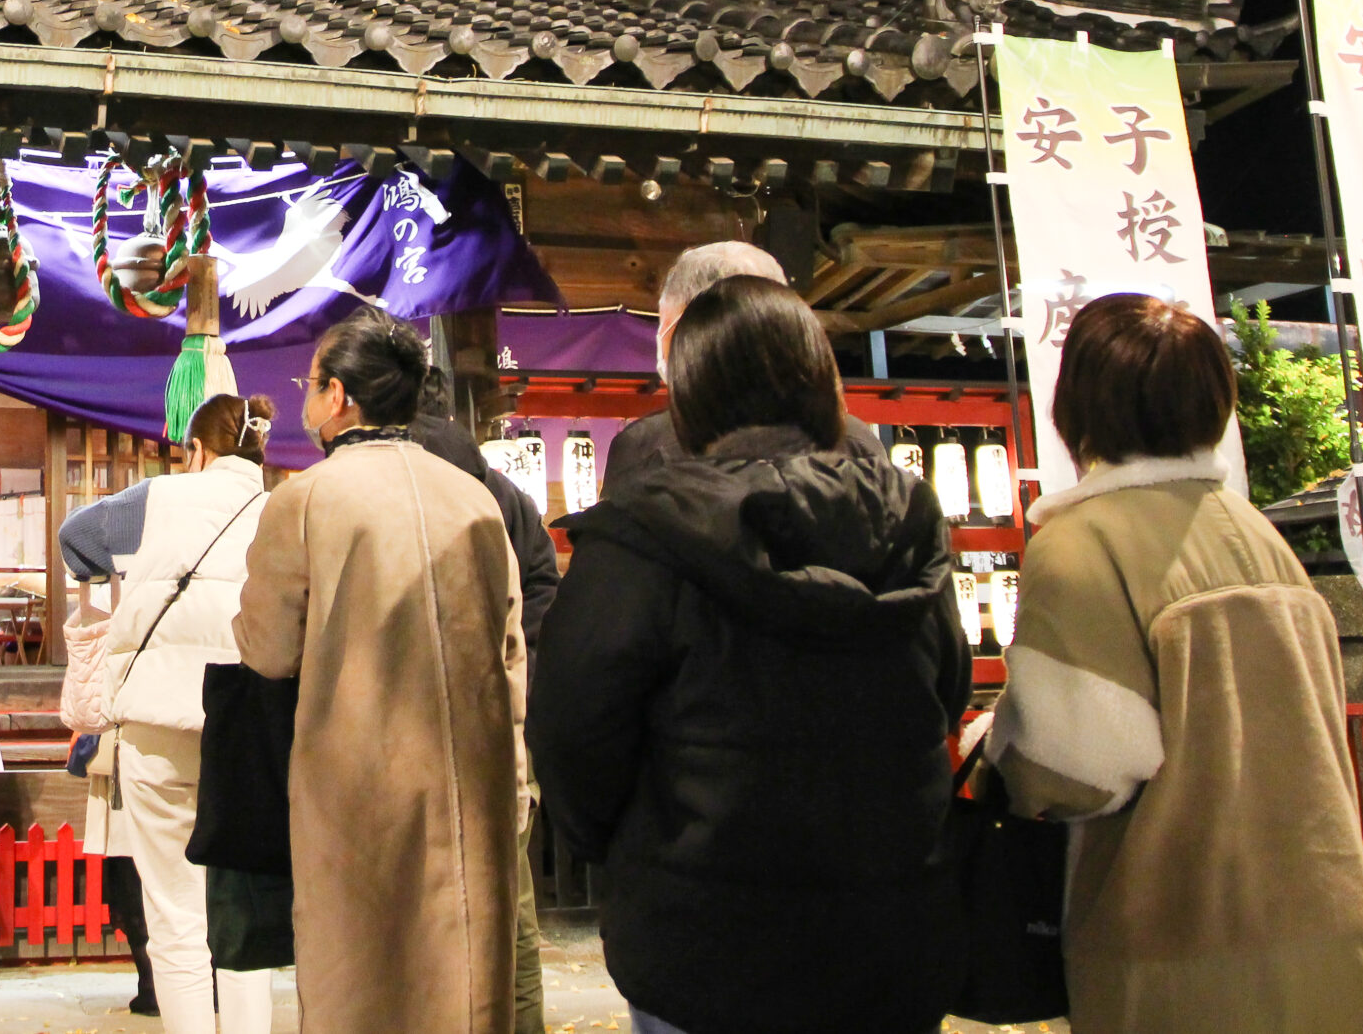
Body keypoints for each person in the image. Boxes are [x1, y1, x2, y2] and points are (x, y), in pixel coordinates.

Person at [527, 276, 968, 1034]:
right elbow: (948, 689)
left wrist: (636, 846)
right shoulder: (904, 519)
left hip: (702, 944)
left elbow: (571, 735)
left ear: (688, 397)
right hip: (887, 937)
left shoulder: (641, 536)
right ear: (821, 381)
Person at [987, 294, 1363, 1033]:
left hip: (1186, 952)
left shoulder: (1082, 542)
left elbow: (1074, 768)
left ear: (1075, 403)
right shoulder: (1260, 535)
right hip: (1333, 936)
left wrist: (994, 742)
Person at [235, 312, 523, 1034]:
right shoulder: (475, 497)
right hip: (475, 790)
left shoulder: (304, 499)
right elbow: (512, 652)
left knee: (360, 989)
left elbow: (266, 647)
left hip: (356, 789)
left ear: (338, 397)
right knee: (460, 989)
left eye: (311, 382)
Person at [73, 392, 280, 1034]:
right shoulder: (282, 511)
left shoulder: (155, 500)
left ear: (198, 451)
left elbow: (74, 537)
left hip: (156, 729)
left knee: (174, 914)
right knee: (244, 911)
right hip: (246, 730)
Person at [410, 375, 557, 1034]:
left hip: (410, 729)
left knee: (413, 917)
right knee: (510, 915)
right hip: (502, 727)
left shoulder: (392, 478)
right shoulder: (505, 495)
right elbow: (544, 586)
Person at [599, 241, 885, 497]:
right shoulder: (857, 441)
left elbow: (614, 552)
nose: (662, 343)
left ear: (697, 328)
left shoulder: (646, 446)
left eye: (666, 326)